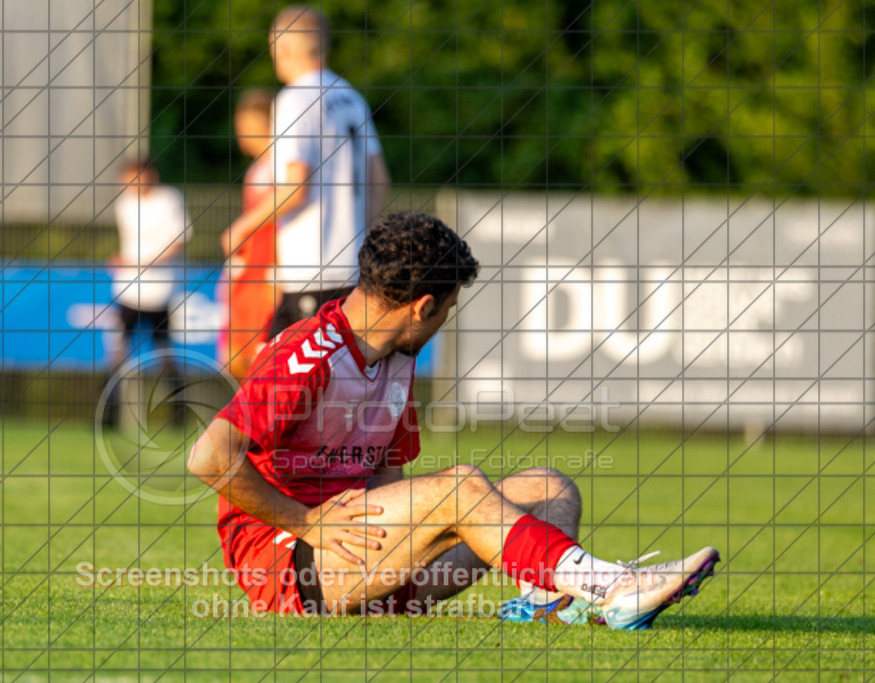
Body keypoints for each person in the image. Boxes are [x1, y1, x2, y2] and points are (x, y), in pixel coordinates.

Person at [188, 211, 720, 627]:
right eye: (447, 308)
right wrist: (307, 523)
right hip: (291, 565)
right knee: (460, 488)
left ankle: (552, 603)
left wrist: (409, 542)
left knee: (550, 488)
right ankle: (613, 586)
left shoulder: (396, 356)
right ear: (423, 306)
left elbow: (387, 479)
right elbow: (208, 456)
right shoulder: (307, 353)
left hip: (365, 561)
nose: (445, 320)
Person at [223, 6, 391, 339]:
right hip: (352, 272)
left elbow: (296, 187)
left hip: (310, 272)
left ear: (283, 48)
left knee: (278, 368)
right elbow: (379, 179)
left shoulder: (295, 99)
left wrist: (242, 227)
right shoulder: (352, 98)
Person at [104, 159, 191, 427]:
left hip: (159, 293)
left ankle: (179, 416)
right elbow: (130, 246)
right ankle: (107, 417)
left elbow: (177, 241)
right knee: (117, 353)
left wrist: (145, 262)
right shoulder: (125, 204)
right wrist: (123, 261)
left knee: (164, 355)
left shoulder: (169, 200)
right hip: (128, 291)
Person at [218, 90, 281, 379]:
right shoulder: (258, 169)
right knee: (233, 357)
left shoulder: (280, 168)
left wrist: (277, 269)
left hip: (269, 275)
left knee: (262, 360)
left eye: (246, 125)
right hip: (251, 274)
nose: (241, 133)